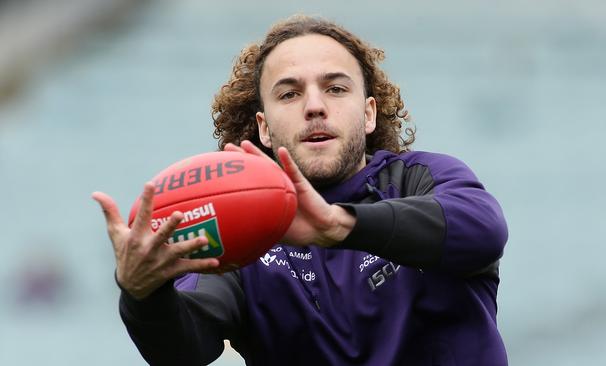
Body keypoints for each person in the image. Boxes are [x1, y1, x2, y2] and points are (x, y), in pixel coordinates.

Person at [93, 15, 509, 366]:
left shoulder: (420, 179)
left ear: (368, 114)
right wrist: (143, 294)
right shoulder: (243, 233)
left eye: (336, 88)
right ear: (264, 129)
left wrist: (341, 225)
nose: (314, 106)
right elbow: (184, 346)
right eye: (289, 93)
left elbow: (484, 231)